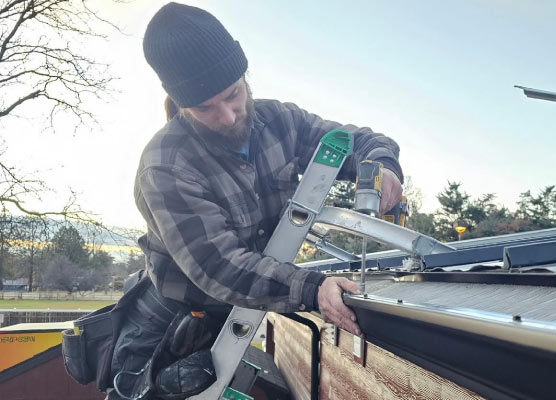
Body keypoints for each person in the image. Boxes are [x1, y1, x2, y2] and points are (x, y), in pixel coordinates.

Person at [107, 2, 403, 398]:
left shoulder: (280, 121)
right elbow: (218, 265)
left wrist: (381, 166)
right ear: (180, 103)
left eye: (233, 94)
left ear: (245, 76)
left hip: (242, 312)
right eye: (205, 107)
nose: (228, 116)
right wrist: (313, 288)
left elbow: (360, 141)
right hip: (170, 330)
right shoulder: (166, 165)